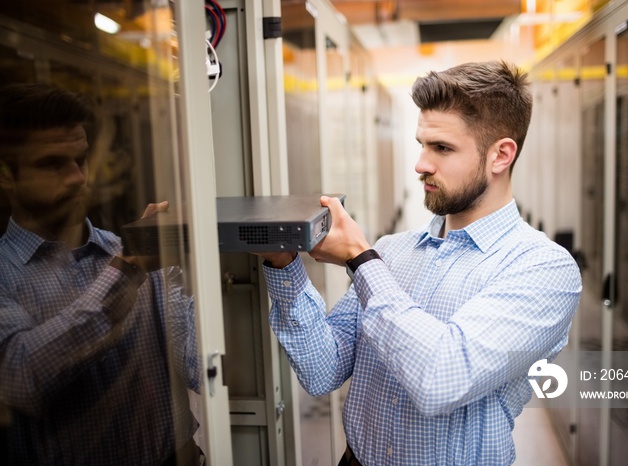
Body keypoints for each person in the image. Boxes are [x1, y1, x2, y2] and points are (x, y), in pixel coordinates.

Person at [260, 60, 582, 465]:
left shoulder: (543, 270)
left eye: (442, 148)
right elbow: (323, 369)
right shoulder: (392, 253)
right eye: (422, 144)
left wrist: (361, 259)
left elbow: (441, 378)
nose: (421, 164)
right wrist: (282, 263)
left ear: (501, 155)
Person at [0, 83, 203, 465]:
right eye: (52, 163)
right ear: (6, 175)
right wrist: (128, 271)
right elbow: (22, 376)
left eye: (81, 160)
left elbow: (196, 367)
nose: (78, 178)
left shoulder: (126, 253)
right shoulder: (5, 274)